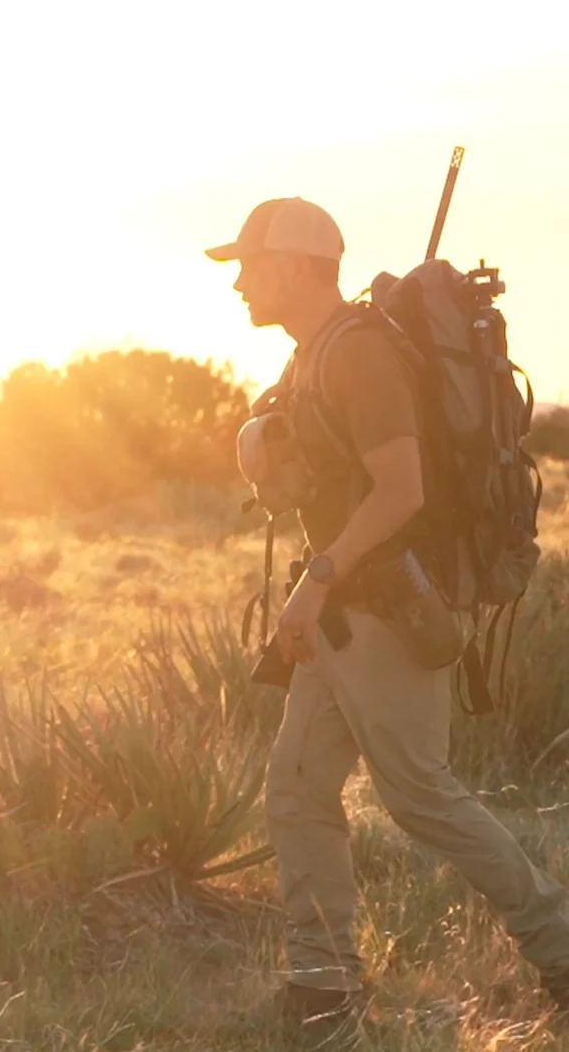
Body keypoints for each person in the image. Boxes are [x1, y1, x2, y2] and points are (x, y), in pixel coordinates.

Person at [205, 197, 569, 1036]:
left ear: (298, 267)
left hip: (390, 607)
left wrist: (318, 579)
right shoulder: (315, 354)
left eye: (250, 266)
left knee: (420, 796)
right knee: (297, 789)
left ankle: (557, 944)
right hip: (345, 612)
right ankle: (325, 984)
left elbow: (401, 492)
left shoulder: (357, 355)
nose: (238, 286)